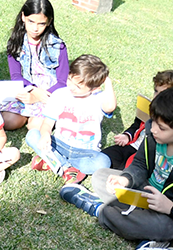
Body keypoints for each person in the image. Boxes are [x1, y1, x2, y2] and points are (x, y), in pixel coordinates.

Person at [68, 87, 173, 243]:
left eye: (162, 128)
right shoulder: (154, 135)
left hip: (171, 212)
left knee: (164, 227)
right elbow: (140, 164)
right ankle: (142, 230)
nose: (152, 129)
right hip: (143, 193)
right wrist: (126, 179)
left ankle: (100, 210)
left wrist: (171, 207)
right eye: (152, 121)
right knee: (100, 177)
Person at [26, 54, 116, 183]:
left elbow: (110, 107)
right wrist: (45, 135)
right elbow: (47, 123)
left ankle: (54, 161)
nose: (71, 87)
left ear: (95, 88)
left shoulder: (99, 98)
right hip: (59, 143)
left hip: (85, 151)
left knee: (103, 162)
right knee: (33, 135)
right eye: (69, 80)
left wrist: (107, 81)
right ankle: (67, 167)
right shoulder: (60, 94)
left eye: (78, 86)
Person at [0, 0, 68, 134]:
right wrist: (33, 91)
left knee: (35, 128)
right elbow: (16, 75)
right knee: (8, 122)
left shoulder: (58, 45)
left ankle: (33, 117)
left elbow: (63, 81)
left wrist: (40, 96)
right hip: (26, 89)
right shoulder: (15, 42)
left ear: (49, 22)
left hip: (49, 94)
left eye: (41, 24)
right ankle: (27, 114)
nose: (35, 28)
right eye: (31, 21)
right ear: (23, 17)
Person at [100, 70, 173, 170]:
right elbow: (137, 124)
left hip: (149, 156)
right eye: (156, 91)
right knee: (104, 157)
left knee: (127, 170)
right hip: (133, 145)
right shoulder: (148, 107)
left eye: (163, 94)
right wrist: (127, 135)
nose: (157, 96)